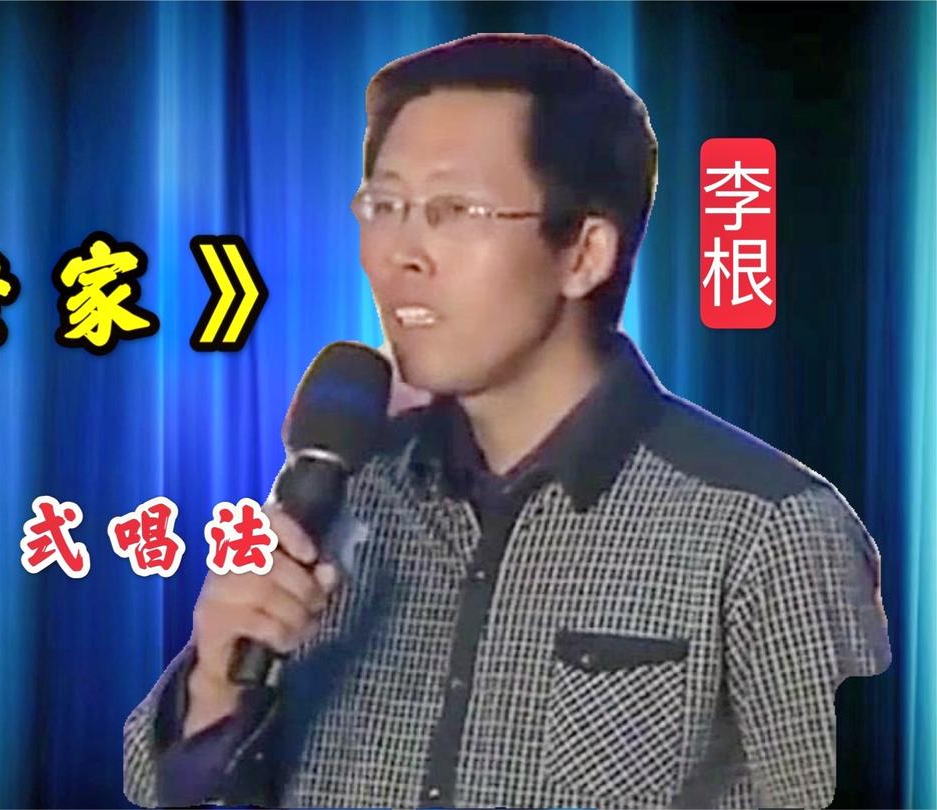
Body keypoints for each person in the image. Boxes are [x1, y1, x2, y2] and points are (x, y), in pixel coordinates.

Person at [122, 33, 891, 809]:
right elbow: (161, 787)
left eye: (454, 211)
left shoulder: (768, 532)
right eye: (384, 206)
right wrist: (215, 685)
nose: (399, 254)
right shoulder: (350, 491)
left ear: (583, 253)